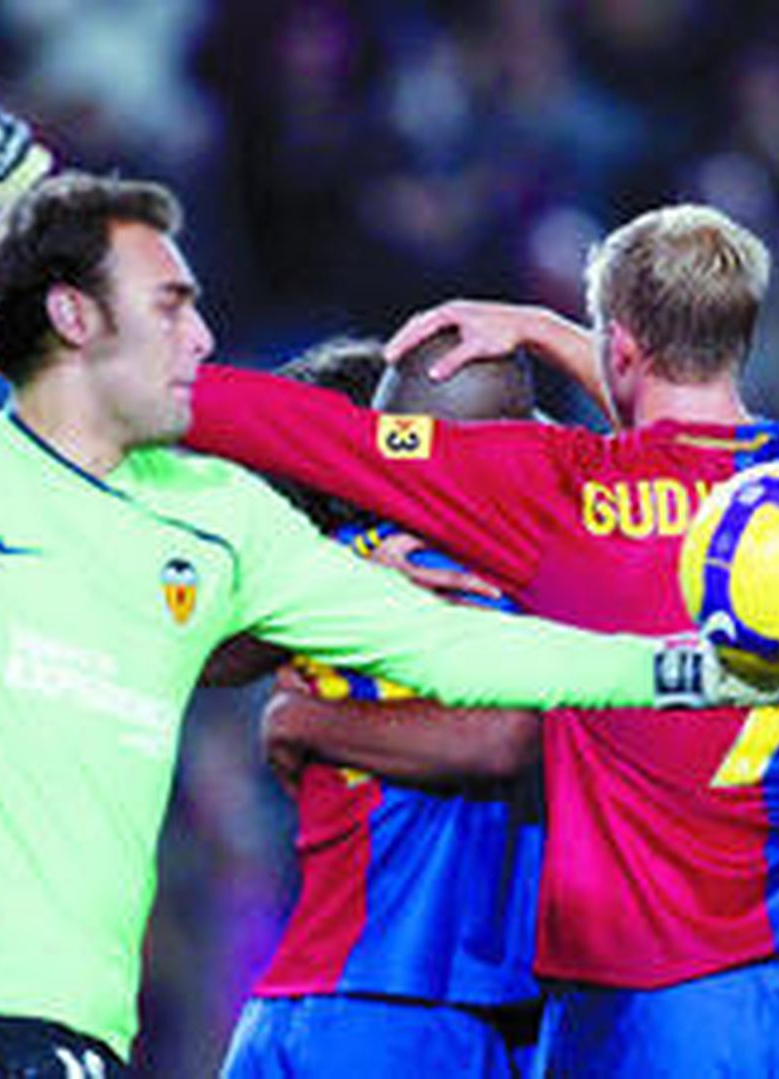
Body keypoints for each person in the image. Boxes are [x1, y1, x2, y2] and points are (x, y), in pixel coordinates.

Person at [0, 92, 779, 1077]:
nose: (202, 335)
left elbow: (469, 684)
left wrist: (674, 668)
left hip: (172, 1018)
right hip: (30, 1004)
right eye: (174, 308)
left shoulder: (265, 533)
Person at [179, 203, 779, 1074]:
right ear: (740, 332)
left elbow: (301, 427)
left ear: (619, 351)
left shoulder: (553, 492)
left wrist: (114, 371)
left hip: (648, 1004)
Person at [220, 334, 547, 1079]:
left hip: (293, 1008)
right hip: (413, 1009)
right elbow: (502, 736)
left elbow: (192, 652)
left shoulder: (323, 573)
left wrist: (298, 716)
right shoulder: (497, 576)